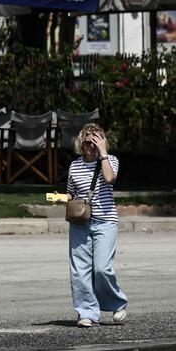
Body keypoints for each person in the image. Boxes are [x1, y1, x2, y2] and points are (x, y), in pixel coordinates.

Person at [66, 123, 128, 328]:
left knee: (101, 268)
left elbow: (110, 179)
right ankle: (87, 313)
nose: (90, 146)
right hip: (80, 222)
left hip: (105, 221)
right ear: (81, 143)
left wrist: (103, 154)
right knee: (79, 271)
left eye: (95, 142)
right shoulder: (75, 165)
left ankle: (117, 303)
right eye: (87, 142)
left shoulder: (111, 161)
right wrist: (60, 198)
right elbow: (72, 193)